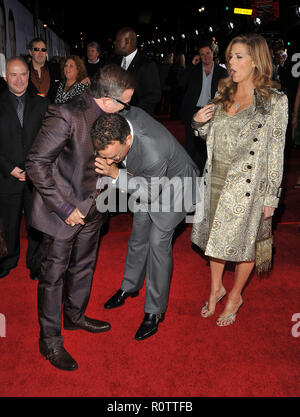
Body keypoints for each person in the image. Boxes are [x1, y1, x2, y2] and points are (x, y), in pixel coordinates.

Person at [25, 64, 136, 371]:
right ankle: (49, 341)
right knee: (53, 277)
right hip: (63, 212)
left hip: (95, 207)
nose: (129, 109)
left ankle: (74, 316)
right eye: (127, 103)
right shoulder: (67, 114)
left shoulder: (110, 115)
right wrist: (63, 208)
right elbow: (36, 164)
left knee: (85, 265)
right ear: (110, 100)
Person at [191, 33, 288, 326]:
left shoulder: (274, 102)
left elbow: (276, 152)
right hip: (216, 179)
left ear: (256, 61)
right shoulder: (223, 94)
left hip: (248, 186)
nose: (231, 63)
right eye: (230, 56)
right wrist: (198, 124)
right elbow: (210, 135)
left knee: (245, 243)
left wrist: (271, 196)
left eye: (238, 57)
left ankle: (234, 295)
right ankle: (215, 288)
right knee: (213, 238)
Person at [92, 110, 199, 341]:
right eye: (105, 156)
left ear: (127, 140)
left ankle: (154, 311)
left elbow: (150, 192)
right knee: (139, 232)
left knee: (157, 243)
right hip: (145, 178)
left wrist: (115, 174)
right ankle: (129, 286)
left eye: (114, 156)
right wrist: (117, 169)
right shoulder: (117, 126)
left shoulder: (153, 149)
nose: (109, 161)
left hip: (177, 187)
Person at [0, 57, 49, 279]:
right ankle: (8, 260)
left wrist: (34, 168)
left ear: (29, 76)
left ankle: (36, 262)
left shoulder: (42, 104)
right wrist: (9, 168)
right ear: (5, 77)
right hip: (6, 175)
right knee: (9, 221)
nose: (19, 80)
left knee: (36, 222)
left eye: (23, 74)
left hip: (34, 175)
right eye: (14, 75)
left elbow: (49, 140)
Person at [180, 42, 228, 174]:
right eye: (202, 54)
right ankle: (191, 174)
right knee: (191, 145)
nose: (206, 56)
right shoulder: (194, 70)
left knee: (208, 146)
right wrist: (191, 65)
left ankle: (206, 173)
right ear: (199, 57)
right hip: (193, 111)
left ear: (213, 53)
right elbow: (181, 83)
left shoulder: (222, 72)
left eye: (208, 53)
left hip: (212, 112)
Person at [109, 27, 161, 116]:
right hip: (115, 115)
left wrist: (128, 108)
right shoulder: (114, 62)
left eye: (118, 41)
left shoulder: (147, 65)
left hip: (138, 117)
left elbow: (154, 96)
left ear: (127, 42)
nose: (114, 43)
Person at [27, 38, 61, 102]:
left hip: (52, 110)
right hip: (31, 110)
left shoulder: (56, 68)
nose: (40, 53)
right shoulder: (23, 70)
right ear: (30, 52)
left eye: (43, 50)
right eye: (37, 49)